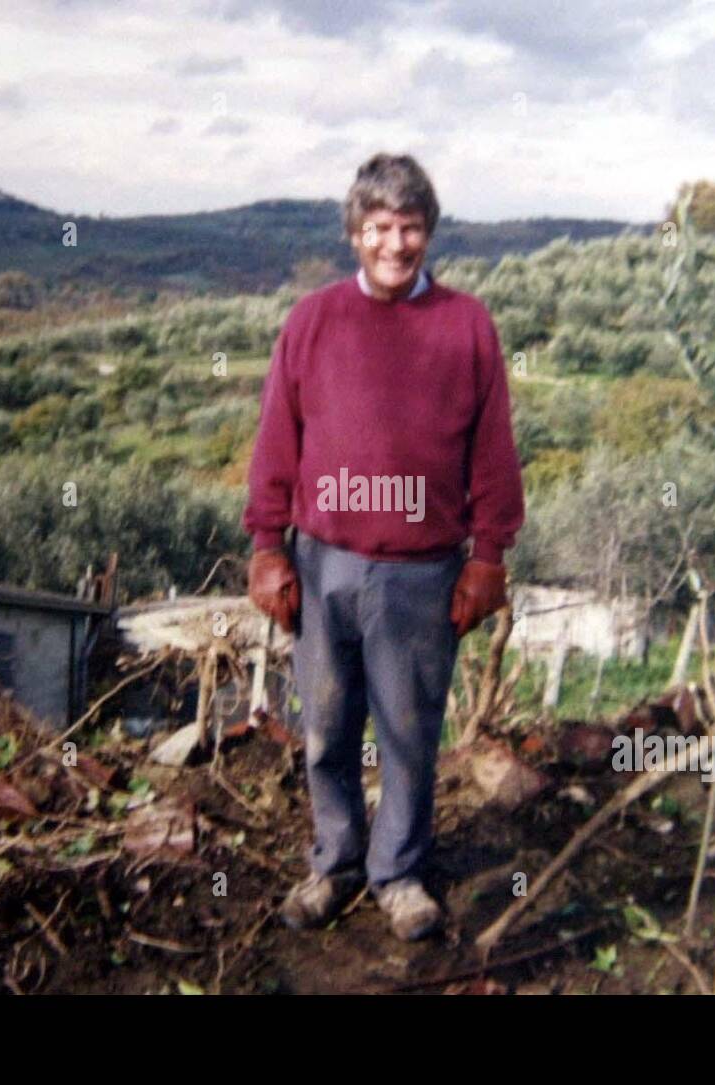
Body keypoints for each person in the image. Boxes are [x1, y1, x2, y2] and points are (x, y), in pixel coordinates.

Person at [243, 152, 525, 941]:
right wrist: (268, 545)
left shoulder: (467, 324)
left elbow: (493, 450)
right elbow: (276, 439)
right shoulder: (312, 320)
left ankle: (398, 872)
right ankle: (333, 862)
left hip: (423, 572)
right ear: (354, 235)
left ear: (428, 232)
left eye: (410, 228)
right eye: (379, 228)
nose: (396, 245)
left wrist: (489, 555)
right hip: (323, 562)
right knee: (326, 728)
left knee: (409, 732)